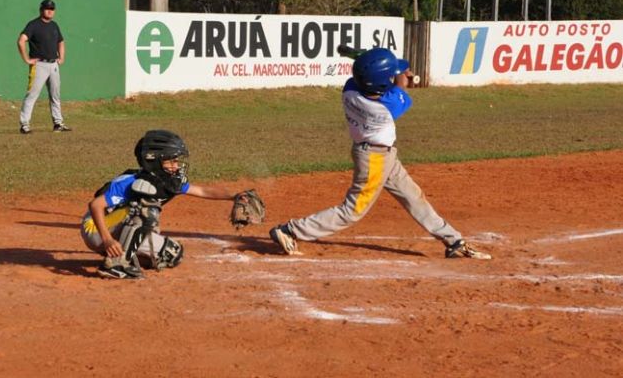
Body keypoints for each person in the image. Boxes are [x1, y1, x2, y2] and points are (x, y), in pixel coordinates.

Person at [269, 47, 491, 260]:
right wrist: (403, 76)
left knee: (413, 196)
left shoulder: (350, 89)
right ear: (383, 83)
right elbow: (401, 89)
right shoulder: (388, 107)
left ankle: (454, 241)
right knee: (351, 211)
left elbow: (371, 78)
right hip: (374, 159)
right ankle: (291, 230)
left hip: (382, 155)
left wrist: (373, 64)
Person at [81, 129, 254, 279]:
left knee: (171, 254)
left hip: (119, 227)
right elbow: (95, 205)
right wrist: (107, 240)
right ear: (154, 161)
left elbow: (202, 191)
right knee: (147, 208)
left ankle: (122, 255)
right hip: (96, 229)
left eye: (177, 161)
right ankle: (116, 265)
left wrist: (234, 196)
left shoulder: (168, 180)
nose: (176, 166)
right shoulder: (132, 181)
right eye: (171, 161)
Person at [17, 0, 70, 134]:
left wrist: (61, 57)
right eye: (47, 8)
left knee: (55, 95)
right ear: (41, 10)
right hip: (39, 65)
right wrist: (26, 59)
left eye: (52, 9)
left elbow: (61, 42)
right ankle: (24, 125)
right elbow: (21, 41)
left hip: (53, 65)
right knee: (32, 95)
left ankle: (58, 123)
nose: (49, 11)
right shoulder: (33, 25)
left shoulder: (54, 25)